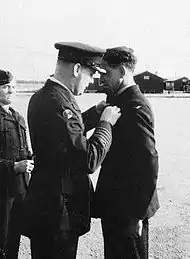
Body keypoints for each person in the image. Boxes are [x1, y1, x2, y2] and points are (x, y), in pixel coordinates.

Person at [22, 42, 121, 259]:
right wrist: (105, 125)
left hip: (46, 207)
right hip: (58, 215)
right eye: (90, 73)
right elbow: (88, 160)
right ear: (77, 69)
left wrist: (93, 115)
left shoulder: (44, 96)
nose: (93, 80)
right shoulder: (61, 103)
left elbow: (63, 137)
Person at [93, 46, 159, 259]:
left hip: (128, 210)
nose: (102, 79)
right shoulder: (118, 100)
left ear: (122, 72)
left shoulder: (135, 105)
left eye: (107, 73)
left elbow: (148, 162)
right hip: (115, 206)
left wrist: (137, 215)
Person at [0, 69, 34, 259]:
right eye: (6, 87)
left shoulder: (18, 117)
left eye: (13, 86)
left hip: (19, 190)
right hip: (1, 193)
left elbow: (24, 151)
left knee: (13, 240)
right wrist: (13, 167)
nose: (11, 90)